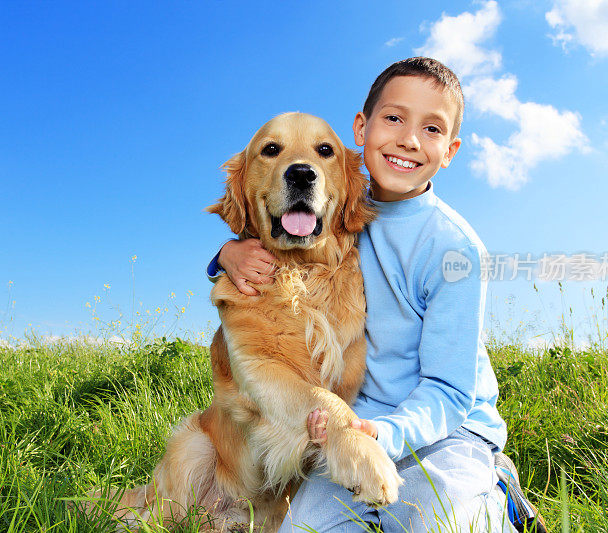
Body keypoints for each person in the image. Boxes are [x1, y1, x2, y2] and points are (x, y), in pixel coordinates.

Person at [208, 57, 545, 533]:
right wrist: (227, 253)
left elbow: (450, 390)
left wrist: (383, 434)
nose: (409, 139)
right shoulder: (346, 216)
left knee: (438, 524)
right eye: (394, 118)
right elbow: (276, 226)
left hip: (446, 430)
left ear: (449, 151)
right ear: (362, 128)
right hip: (355, 427)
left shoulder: (455, 248)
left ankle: (496, 492)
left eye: (431, 128)